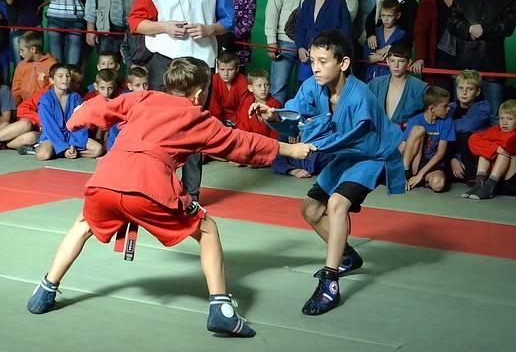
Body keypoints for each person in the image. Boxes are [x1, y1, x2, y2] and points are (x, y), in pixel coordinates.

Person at [25, 56, 315, 337]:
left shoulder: (142, 98)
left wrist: (75, 121)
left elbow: (100, 108)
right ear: (199, 93)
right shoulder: (198, 117)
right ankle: (221, 310)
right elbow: (240, 142)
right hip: (149, 189)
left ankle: (45, 289)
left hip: (106, 182)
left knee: (82, 225)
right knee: (208, 230)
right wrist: (291, 149)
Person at [250, 29, 405, 315]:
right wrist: (274, 115)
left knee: (336, 204)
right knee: (310, 210)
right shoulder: (313, 86)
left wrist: (309, 146)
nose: (316, 68)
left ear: (343, 63)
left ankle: (330, 283)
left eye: (323, 61)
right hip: (346, 155)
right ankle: (347, 256)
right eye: (312, 61)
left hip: (372, 155)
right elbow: (294, 113)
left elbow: (354, 137)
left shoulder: (360, 95)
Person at [128, 0, 234, 203]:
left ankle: (192, 194)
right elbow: (136, 23)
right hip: (164, 61)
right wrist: (164, 26)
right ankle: (157, 187)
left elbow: (229, 21)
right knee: (160, 127)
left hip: (201, 63)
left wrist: (209, 29)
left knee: (195, 129)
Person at [448, 0, 516, 125]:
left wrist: (484, 30)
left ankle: (494, 145)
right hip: (464, 61)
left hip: (493, 64)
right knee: (459, 113)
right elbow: (452, 22)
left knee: (496, 115)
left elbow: (508, 25)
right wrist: (468, 29)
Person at [264, 0, 316, 104]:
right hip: (284, 42)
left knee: (306, 89)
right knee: (278, 89)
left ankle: (301, 121)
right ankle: (275, 120)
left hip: (309, 45)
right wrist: (271, 41)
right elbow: (272, 11)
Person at [294, 0, 352, 84]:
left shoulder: (339, 4)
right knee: (304, 89)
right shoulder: (308, 2)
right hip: (307, 58)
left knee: (326, 90)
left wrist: (333, 54)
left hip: (328, 59)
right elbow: (299, 28)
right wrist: (300, 47)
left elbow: (345, 34)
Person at [412, 0, 465, 91]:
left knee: (465, 95)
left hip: (465, 55)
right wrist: (420, 57)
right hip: (438, 57)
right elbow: (420, 32)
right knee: (440, 96)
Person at [35, 63, 102, 161]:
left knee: (98, 150)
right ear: (51, 80)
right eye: (60, 76)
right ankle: (38, 148)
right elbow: (49, 127)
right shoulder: (46, 100)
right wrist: (64, 148)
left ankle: (68, 152)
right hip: (53, 135)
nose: (65, 79)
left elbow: (80, 123)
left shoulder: (76, 98)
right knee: (43, 155)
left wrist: (73, 144)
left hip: (73, 135)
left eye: (68, 76)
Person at [402, 86, 455, 192]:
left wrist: (420, 175)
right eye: (445, 106)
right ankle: (405, 175)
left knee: (439, 185)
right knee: (418, 129)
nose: (448, 108)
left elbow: (440, 154)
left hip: (432, 163)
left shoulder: (447, 122)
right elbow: (403, 147)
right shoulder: (415, 120)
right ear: (432, 109)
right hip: (414, 161)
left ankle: (419, 180)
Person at [464, 99, 516, 199]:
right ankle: (480, 184)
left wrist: (492, 143)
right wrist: (494, 147)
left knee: (505, 152)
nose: (504, 122)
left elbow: (509, 143)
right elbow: (473, 139)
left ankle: (489, 187)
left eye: (510, 119)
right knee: (486, 152)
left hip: (514, 182)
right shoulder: (495, 130)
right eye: (501, 118)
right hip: (497, 180)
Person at [368, 41, 427, 129]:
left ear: (409, 62)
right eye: (392, 61)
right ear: (387, 61)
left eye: (401, 61)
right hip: (379, 133)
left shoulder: (420, 88)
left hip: (406, 135)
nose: (396, 65)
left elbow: (434, 111)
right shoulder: (376, 84)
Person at [447, 70, 490, 183]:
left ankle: (472, 177)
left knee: (465, 135)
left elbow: (467, 126)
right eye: (460, 88)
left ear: (477, 91)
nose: (464, 92)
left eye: (469, 89)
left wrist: (445, 125)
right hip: (453, 156)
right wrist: (452, 159)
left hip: (473, 158)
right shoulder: (450, 107)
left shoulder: (484, 106)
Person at [363, 0, 410, 81]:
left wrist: (378, 56)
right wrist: (381, 57)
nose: (386, 19)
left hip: (393, 77)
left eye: (390, 16)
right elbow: (367, 57)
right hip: (372, 75)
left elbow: (402, 58)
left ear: (398, 16)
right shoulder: (374, 33)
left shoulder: (402, 35)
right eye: (383, 15)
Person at [11, 31, 58, 104]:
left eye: (22, 50)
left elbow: (54, 88)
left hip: (44, 106)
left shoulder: (51, 64)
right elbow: (16, 89)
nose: (20, 54)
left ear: (33, 49)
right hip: (25, 106)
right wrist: (18, 106)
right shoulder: (21, 65)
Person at [236, 68, 282, 139]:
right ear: (250, 88)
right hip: (250, 140)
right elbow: (243, 126)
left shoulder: (275, 104)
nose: (263, 89)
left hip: (270, 142)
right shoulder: (247, 102)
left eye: (266, 85)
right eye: (259, 86)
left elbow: (277, 130)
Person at [209, 52, 249, 126]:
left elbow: (244, 108)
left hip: (239, 119)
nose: (226, 74)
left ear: (237, 69)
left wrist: (235, 122)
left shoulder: (243, 82)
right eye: (222, 69)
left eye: (230, 69)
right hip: (219, 119)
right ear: (217, 68)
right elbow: (214, 108)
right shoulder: (214, 80)